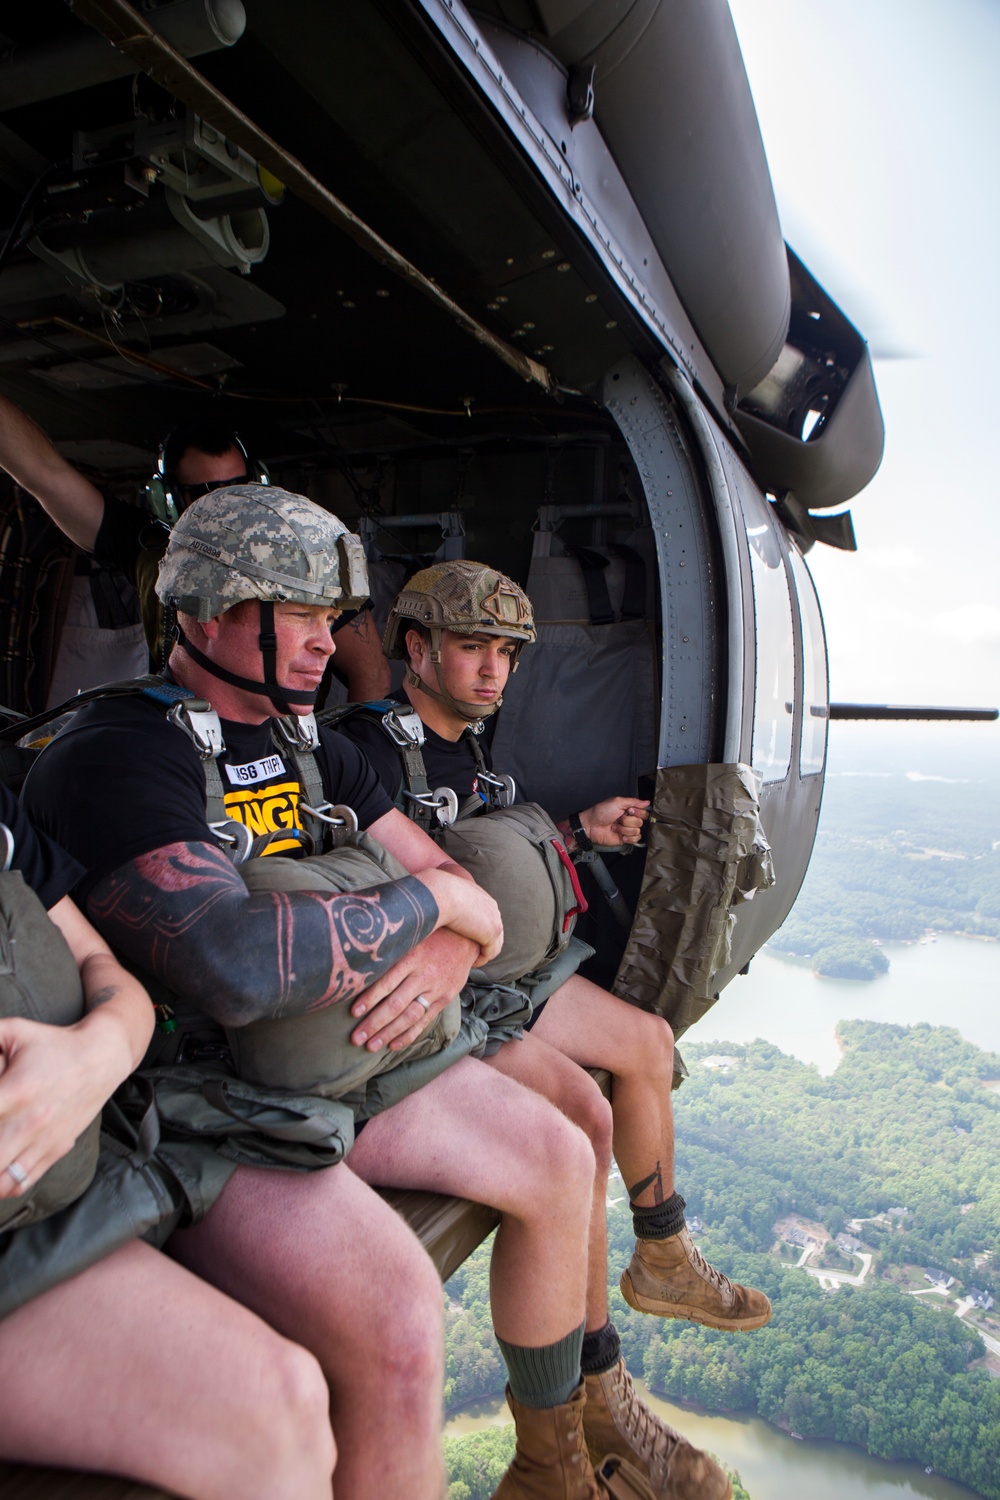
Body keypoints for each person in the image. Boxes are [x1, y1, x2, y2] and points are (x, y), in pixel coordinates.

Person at [23, 484, 729, 1499]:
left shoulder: (312, 746)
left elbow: (470, 898)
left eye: (332, 617)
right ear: (213, 611)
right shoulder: (121, 755)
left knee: (561, 1152)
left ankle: (558, 1456)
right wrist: (428, 910)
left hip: (354, 1044)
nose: (325, 642)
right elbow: (231, 963)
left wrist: (443, 945)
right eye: (300, 614)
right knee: (397, 1320)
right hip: (216, 1099)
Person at [339, 563, 772, 1371]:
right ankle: (592, 1368)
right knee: (585, 1113)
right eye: (473, 647)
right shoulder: (364, 750)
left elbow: (495, 856)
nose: (493, 669)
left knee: (645, 1042)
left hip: (511, 974)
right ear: (416, 649)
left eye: (506, 653)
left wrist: (579, 832)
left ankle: (663, 1257)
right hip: (451, 992)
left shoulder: (470, 746)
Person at [0, 783, 338, 1500]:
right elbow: (236, 968)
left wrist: (97, 1054)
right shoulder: (121, 752)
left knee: (292, 1396)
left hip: (72, 1188)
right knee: (272, 1412)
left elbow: (105, 972)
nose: (322, 660)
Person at [0, 393, 389, 700]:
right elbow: (44, 473)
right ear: (169, 501)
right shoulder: (149, 547)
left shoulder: (307, 557)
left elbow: (371, 674)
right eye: (205, 494)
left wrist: (333, 770)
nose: (228, 504)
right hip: (181, 736)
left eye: (239, 488)